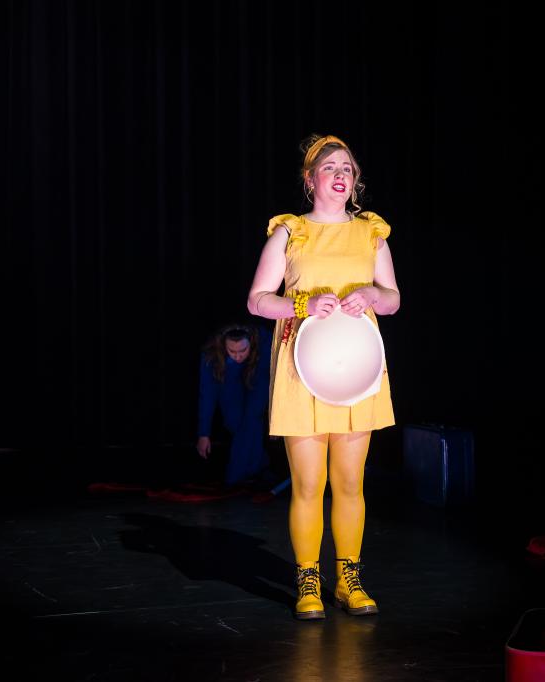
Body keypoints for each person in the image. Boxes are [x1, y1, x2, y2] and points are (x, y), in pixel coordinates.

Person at [247, 134, 400, 620]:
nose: (340, 173)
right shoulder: (290, 232)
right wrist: (302, 303)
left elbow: (393, 298)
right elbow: (257, 300)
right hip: (303, 370)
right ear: (310, 179)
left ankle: (349, 579)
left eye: (348, 168)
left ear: (355, 182)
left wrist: (372, 296)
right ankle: (308, 580)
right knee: (309, 484)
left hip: (358, 369)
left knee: (350, 483)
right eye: (330, 167)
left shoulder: (371, 233)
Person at [196, 323, 273, 487]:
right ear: (224, 346)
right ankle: (258, 466)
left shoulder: (263, 344)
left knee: (252, 417)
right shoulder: (212, 355)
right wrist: (204, 434)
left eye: (242, 350)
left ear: (251, 343)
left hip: (258, 373)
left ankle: (239, 477)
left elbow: (273, 382)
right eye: (232, 351)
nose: (238, 356)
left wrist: (277, 418)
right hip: (229, 378)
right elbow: (207, 395)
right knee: (234, 420)